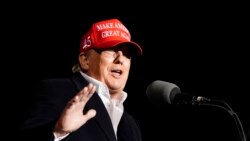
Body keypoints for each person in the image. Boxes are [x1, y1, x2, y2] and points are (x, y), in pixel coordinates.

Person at [17, 18, 143, 141]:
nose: (120, 59)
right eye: (111, 50)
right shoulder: (56, 91)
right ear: (85, 60)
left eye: (127, 54)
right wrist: (58, 132)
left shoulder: (131, 124)